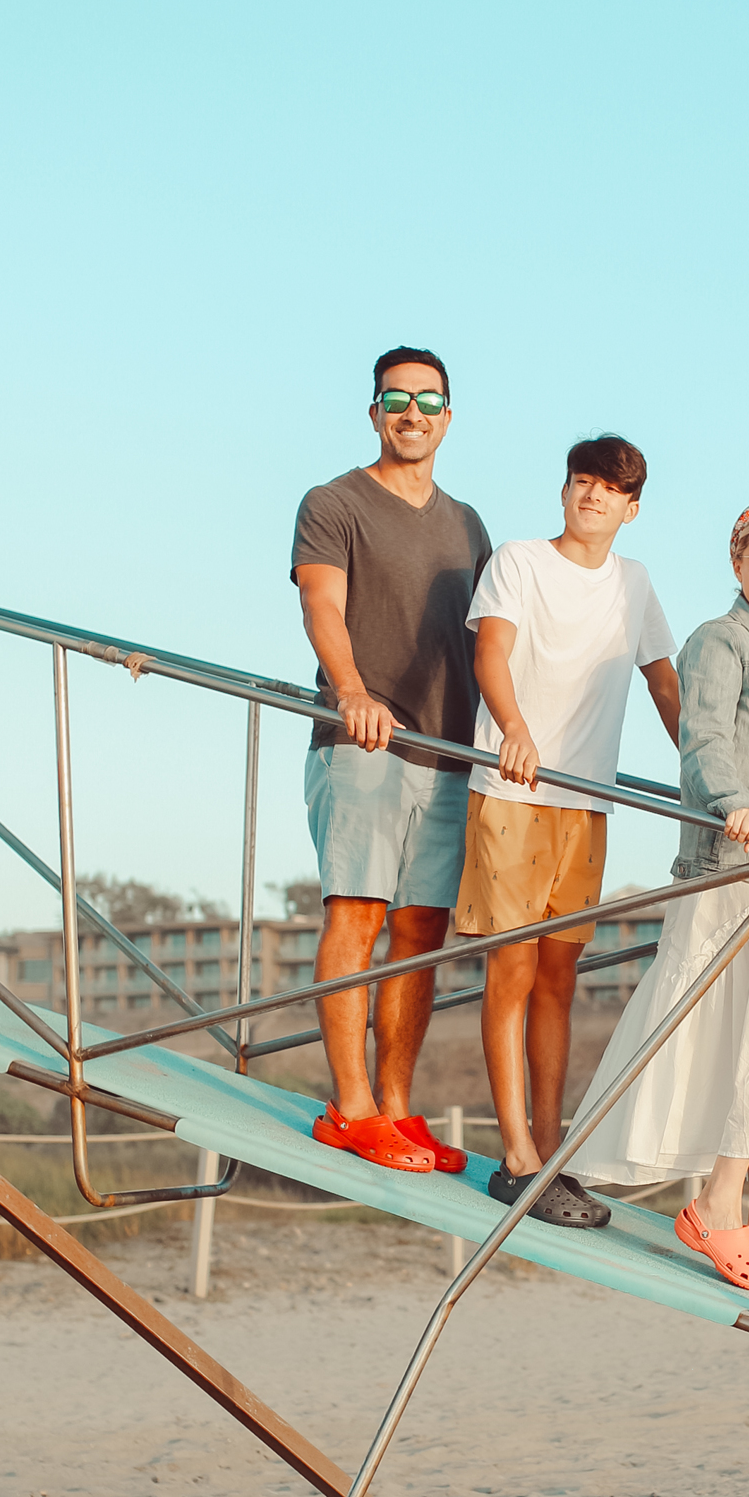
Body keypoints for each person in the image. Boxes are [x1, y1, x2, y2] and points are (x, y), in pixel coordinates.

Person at [574, 497, 749, 1294]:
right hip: (734, 868)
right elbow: (703, 744)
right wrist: (734, 804)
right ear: (738, 563)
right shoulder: (716, 641)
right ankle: (715, 1209)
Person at [457, 436, 680, 1227]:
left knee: (558, 980)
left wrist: (706, 773)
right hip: (512, 791)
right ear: (565, 492)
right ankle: (517, 1154)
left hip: (587, 804)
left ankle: (549, 1155)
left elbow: (662, 678)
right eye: (582, 481)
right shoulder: (519, 561)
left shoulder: (635, 582)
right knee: (511, 973)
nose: (592, 496)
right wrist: (513, 726)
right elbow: (493, 654)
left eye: (610, 488)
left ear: (632, 508)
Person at [293, 347, 490, 1174]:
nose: (413, 413)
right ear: (374, 412)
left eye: (429, 400)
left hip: (446, 755)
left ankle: (398, 1110)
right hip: (364, 741)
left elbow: (495, 645)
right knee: (359, 916)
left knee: (421, 932)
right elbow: (321, 601)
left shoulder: (468, 525)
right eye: (397, 399)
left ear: (450, 416)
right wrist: (351, 690)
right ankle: (351, 1107)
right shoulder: (333, 502)